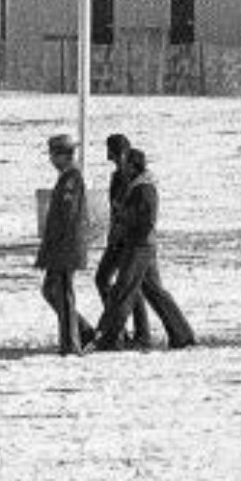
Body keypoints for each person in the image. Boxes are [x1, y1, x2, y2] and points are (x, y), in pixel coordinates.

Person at [93, 146, 196, 351]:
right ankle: (182, 334)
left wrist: (125, 219)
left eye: (126, 163)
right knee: (153, 291)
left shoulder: (144, 188)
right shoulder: (137, 185)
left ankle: (110, 338)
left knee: (124, 290)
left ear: (133, 165)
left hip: (139, 246)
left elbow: (146, 220)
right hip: (140, 245)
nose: (123, 167)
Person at [34, 132, 101, 355]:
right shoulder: (66, 177)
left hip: (65, 247)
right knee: (52, 291)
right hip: (60, 247)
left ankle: (71, 344)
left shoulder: (72, 178)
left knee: (62, 293)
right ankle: (84, 332)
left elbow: (68, 217)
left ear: (64, 155)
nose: (51, 160)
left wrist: (58, 248)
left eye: (54, 155)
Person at [94, 132, 152, 350]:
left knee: (131, 285)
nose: (111, 157)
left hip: (132, 239)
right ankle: (122, 329)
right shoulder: (116, 177)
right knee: (106, 280)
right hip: (117, 237)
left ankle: (131, 332)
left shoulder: (136, 178)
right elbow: (114, 208)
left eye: (112, 152)